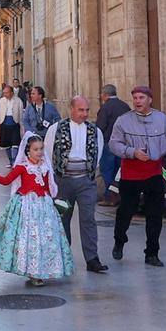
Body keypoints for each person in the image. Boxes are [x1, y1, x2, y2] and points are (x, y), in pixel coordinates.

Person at [0, 134, 74, 287]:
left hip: (44, 207)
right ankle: (31, 272)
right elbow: (6, 180)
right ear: (27, 151)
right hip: (26, 206)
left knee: (46, 238)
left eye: (41, 149)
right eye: (36, 149)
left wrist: (54, 203)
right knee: (30, 238)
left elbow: (49, 187)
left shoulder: (45, 166)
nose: (39, 152)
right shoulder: (22, 167)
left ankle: (43, 269)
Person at [108, 86, 166, 266]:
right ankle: (119, 241)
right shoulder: (123, 121)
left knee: (155, 215)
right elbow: (113, 144)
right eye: (135, 97)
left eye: (141, 97)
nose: (137, 101)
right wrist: (132, 152)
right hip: (131, 174)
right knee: (125, 212)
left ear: (150, 99)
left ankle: (152, 253)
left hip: (154, 172)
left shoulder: (162, 119)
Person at [43, 96, 110, 273]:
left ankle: (92, 259)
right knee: (63, 218)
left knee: (88, 219)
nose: (84, 114)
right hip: (63, 181)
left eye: (87, 110)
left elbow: (98, 153)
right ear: (71, 109)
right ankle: (63, 257)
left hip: (85, 181)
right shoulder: (55, 129)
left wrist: (88, 173)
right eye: (81, 110)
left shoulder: (95, 131)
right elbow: (48, 153)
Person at [95, 84, 131, 206]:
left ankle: (110, 197)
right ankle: (121, 195)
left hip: (109, 144)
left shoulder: (105, 108)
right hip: (123, 144)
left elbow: (100, 127)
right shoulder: (125, 106)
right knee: (120, 171)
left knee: (108, 171)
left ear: (105, 94)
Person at [0, 84, 23, 166]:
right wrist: (1, 122)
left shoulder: (18, 101)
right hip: (5, 123)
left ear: (11, 93)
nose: (5, 94)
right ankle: (10, 161)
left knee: (15, 143)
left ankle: (15, 161)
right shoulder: (1, 101)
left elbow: (20, 113)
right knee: (6, 144)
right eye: (4, 93)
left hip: (14, 123)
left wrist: (20, 123)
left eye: (7, 93)